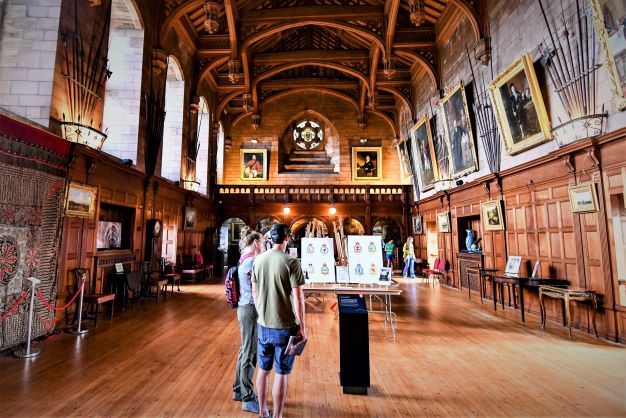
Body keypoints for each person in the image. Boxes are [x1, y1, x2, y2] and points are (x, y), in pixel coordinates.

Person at [252, 224, 307, 418]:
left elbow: (255, 291)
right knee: (281, 372)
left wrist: (263, 314)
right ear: (287, 239)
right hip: (285, 326)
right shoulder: (292, 262)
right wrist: (303, 327)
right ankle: (278, 415)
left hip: (264, 325)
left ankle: (262, 411)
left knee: (263, 370)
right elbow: (299, 299)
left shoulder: (258, 260)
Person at [233, 227, 265, 414]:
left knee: (244, 349)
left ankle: (238, 389)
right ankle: (247, 397)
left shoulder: (243, 257)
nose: (263, 246)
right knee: (250, 353)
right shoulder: (252, 261)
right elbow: (257, 288)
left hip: (244, 307)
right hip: (250, 309)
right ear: (255, 243)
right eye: (262, 243)